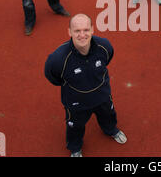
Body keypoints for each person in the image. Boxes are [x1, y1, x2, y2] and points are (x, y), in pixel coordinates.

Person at [44, 14, 127, 157]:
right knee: (75, 126)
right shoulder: (58, 59)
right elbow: (53, 77)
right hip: (76, 103)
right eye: (77, 31)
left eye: (86, 30)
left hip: (102, 95)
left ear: (92, 30)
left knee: (108, 114)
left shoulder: (104, 46)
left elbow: (108, 59)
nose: (82, 35)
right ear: (69, 32)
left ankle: (110, 130)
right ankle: (75, 148)